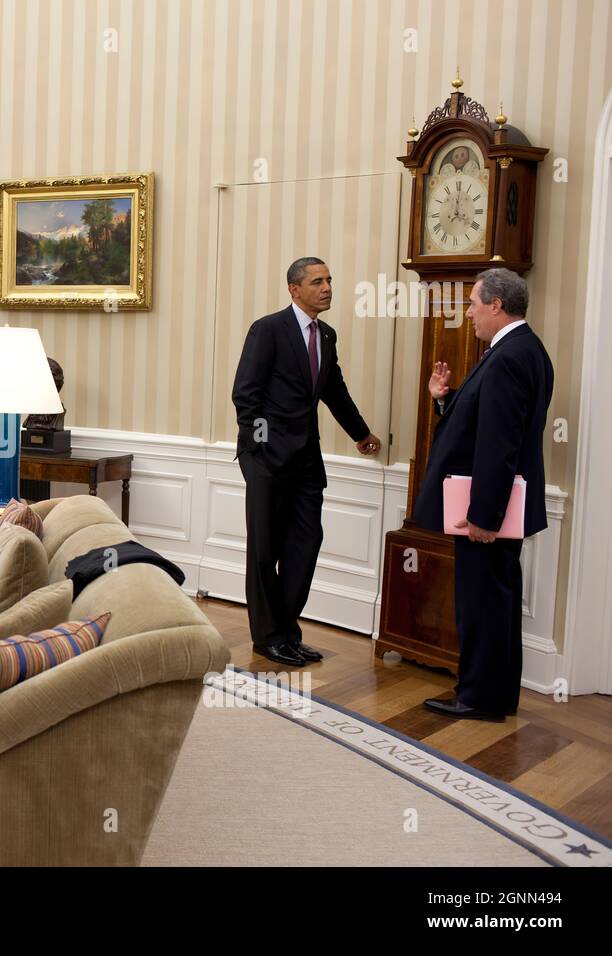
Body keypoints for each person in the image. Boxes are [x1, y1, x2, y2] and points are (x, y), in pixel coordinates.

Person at [413, 268, 553, 721]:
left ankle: (477, 697)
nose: (468, 313)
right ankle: (495, 695)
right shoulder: (524, 349)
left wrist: (484, 516)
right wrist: (443, 398)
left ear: (496, 305)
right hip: (498, 506)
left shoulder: (510, 356)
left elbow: (499, 444)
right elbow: (483, 425)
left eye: (474, 303)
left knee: (482, 603)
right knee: (498, 600)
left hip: (489, 511)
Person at [232, 257, 383, 666]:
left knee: (305, 545)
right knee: (265, 552)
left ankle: (287, 632)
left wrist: (361, 434)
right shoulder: (268, 330)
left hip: (306, 463)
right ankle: (268, 638)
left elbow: (334, 390)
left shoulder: (327, 335)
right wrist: (260, 448)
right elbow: (246, 394)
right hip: (266, 460)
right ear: (294, 289)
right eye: (317, 281)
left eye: (330, 280)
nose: (327, 287)